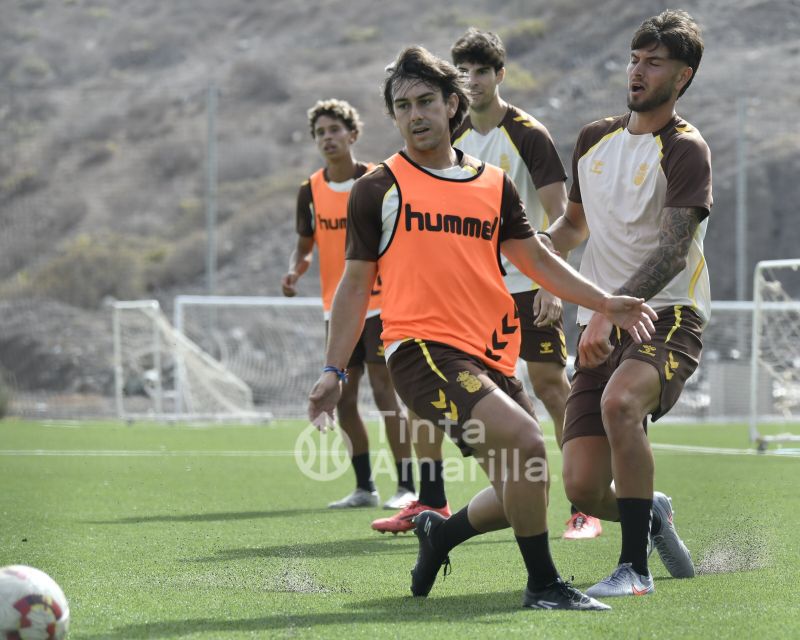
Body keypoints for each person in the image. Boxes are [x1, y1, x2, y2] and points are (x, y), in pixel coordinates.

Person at [308, 45, 657, 610]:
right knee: (525, 439)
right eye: (402, 106)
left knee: (527, 476)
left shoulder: (493, 183)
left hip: (488, 352)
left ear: (452, 105)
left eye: (426, 101)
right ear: (393, 117)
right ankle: (544, 586)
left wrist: (605, 302)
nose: (415, 114)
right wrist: (332, 369)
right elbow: (354, 285)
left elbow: (538, 260)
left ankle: (439, 534)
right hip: (419, 352)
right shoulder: (380, 187)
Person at [545, 10, 711, 597]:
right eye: (634, 59)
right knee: (583, 490)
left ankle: (634, 571)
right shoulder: (593, 139)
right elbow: (570, 227)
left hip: (667, 316)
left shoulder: (687, 150)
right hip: (601, 323)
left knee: (621, 404)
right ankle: (654, 513)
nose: (638, 71)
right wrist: (539, 264)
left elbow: (671, 253)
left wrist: (612, 309)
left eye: (654, 62)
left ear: (682, 76)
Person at [450, 27, 602, 540]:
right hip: (473, 293)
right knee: (487, 402)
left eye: (480, 71)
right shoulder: (450, 139)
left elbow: (565, 216)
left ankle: (584, 505)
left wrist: (551, 283)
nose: (471, 81)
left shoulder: (528, 134)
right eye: (464, 71)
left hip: (527, 283)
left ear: (500, 75)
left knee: (550, 388)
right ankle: (511, 497)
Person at [282, 98, 416, 510]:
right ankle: (364, 487)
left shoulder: (377, 180)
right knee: (343, 394)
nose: (327, 138)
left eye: (334, 130)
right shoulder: (310, 190)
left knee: (384, 392)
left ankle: (407, 485)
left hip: (380, 305)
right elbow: (304, 247)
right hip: (336, 309)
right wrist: (295, 270)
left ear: (353, 135)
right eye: (320, 133)